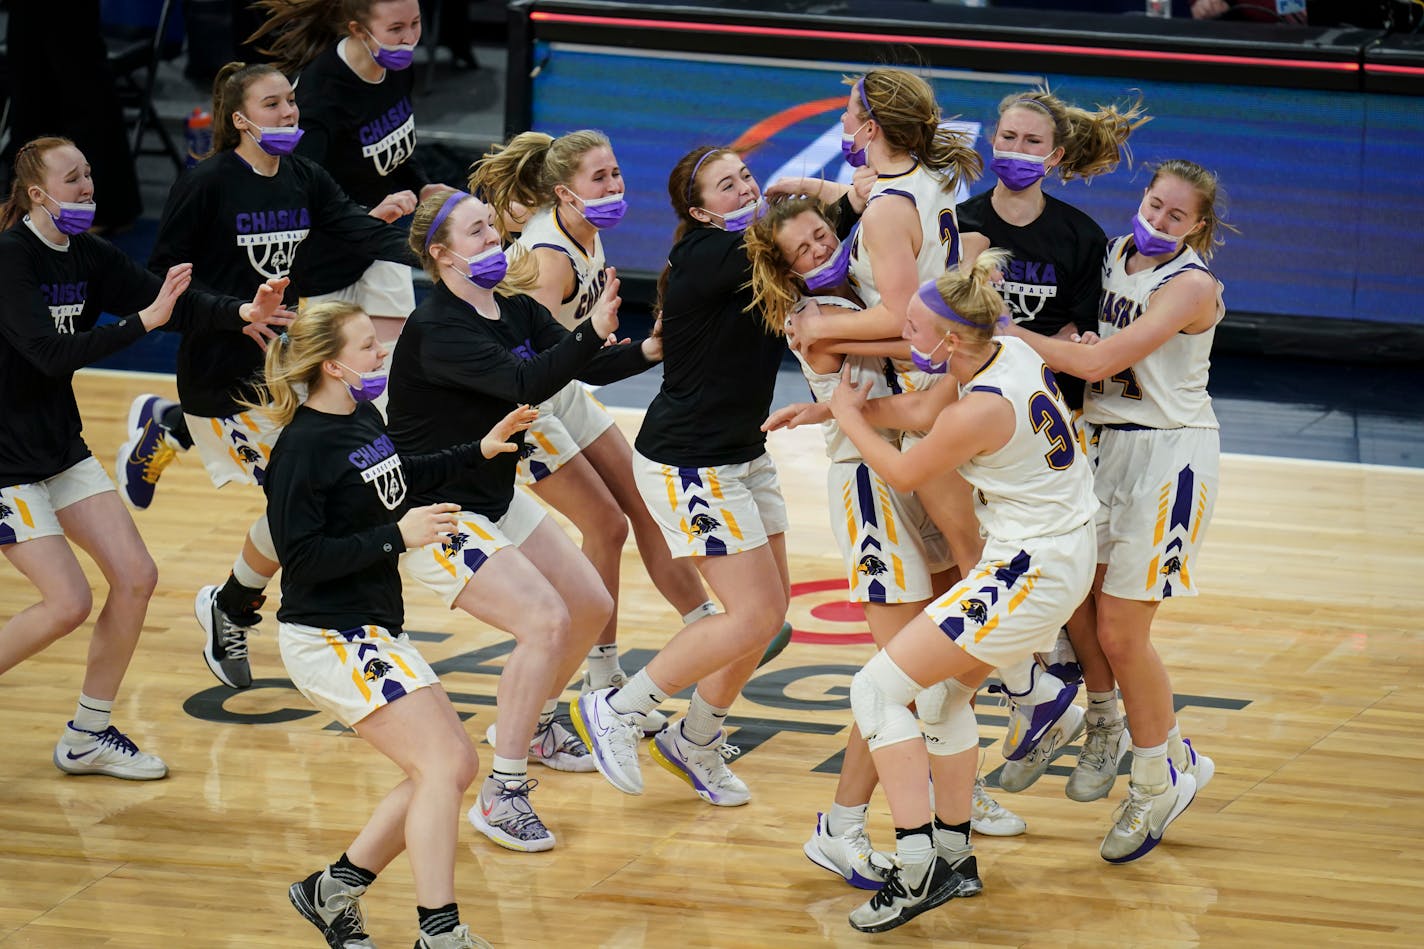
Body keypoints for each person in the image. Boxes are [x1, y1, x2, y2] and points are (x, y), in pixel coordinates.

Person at [570, 146, 860, 808]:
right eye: (727, 186)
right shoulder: (712, 257)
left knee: (768, 612)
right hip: (689, 460)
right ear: (700, 210)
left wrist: (820, 197)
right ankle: (619, 706)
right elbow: (803, 238)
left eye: (748, 178)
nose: (746, 190)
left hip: (743, 451)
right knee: (750, 612)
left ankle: (695, 739)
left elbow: (809, 233)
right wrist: (839, 195)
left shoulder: (745, 250)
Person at [113, 61, 413, 695]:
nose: (288, 114)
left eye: (291, 102)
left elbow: (354, 231)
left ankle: (171, 439)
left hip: (289, 367)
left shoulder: (303, 176)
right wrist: (233, 313)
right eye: (271, 105)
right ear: (240, 119)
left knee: (316, 495)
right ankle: (231, 604)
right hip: (224, 379)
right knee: (299, 505)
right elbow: (158, 286)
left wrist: (435, 230)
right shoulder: (207, 185)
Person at [0, 136, 289, 780]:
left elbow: (171, 300)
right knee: (67, 601)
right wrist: (145, 323)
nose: (88, 187)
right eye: (73, 179)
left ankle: (88, 734)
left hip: (59, 448)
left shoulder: (85, 252)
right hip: (4, 464)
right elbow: (49, 353)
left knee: (136, 577)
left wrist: (240, 310)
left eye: (90, 174)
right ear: (37, 194)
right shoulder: (10, 260)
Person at [794, 66, 1032, 837]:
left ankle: (1018, 692)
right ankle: (884, 808)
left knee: (915, 658)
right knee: (915, 654)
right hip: (883, 446)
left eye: (849, 107)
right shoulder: (922, 179)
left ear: (868, 125)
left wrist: (828, 330)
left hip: (904, 425)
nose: (824, 239)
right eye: (806, 243)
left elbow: (912, 322)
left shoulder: (885, 211)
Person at [828, 255, 1098, 932]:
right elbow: (919, 407)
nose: (904, 336)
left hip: (1030, 568)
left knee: (875, 691)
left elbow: (899, 463)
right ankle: (953, 854)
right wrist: (827, 412)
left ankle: (915, 864)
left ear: (950, 339)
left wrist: (844, 414)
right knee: (944, 696)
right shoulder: (1004, 350)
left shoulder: (983, 406)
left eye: (913, 326)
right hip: (1052, 554)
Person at [388, 187, 660, 853]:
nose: (496, 242)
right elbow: (523, 384)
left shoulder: (507, 307)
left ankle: (532, 726)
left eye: (493, 228)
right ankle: (500, 793)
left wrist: (647, 351)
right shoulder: (438, 327)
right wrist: (589, 330)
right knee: (544, 620)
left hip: (495, 499)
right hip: (438, 512)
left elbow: (573, 368)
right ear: (443, 254)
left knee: (590, 605)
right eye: (479, 233)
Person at [261, 301, 519, 949]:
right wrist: (393, 540)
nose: (381, 356)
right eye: (369, 347)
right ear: (333, 364)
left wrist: (478, 450)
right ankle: (440, 932)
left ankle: (332, 889)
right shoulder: (301, 448)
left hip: (370, 627)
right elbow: (302, 558)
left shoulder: (362, 416)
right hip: (327, 635)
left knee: (453, 762)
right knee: (441, 764)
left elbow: (399, 477)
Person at [1004, 158, 1224, 862]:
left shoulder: (1192, 285)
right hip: (1100, 445)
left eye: (1175, 216)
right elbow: (1079, 338)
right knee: (1078, 603)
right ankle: (1108, 723)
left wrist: (1007, 334)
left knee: (1126, 633)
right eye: (1154, 205)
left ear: (1199, 227)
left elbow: (1102, 363)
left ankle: (1157, 780)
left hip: (1169, 457)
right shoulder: (1108, 258)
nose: (1158, 221)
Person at [470, 131, 718, 736]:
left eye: (615, 174)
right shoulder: (548, 257)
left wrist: (644, 347)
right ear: (565, 193)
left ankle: (707, 622)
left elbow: (572, 358)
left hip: (563, 388)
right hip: (522, 404)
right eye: (599, 178)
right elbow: (534, 365)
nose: (614, 188)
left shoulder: (581, 228)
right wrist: (643, 352)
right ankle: (598, 676)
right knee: (606, 524)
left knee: (643, 504)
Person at [744, 195, 956, 889]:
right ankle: (840, 826)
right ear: (787, 271)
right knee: (894, 672)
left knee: (943, 655)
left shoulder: (866, 289)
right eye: (802, 250)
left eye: (821, 234)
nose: (819, 249)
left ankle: (953, 788)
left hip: (919, 463)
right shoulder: (812, 319)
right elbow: (918, 339)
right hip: (870, 485)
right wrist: (949, 327)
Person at [956, 86, 1147, 795]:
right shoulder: (963, 222)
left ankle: (1100, 717)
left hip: (1054, 432)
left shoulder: (1078, 236)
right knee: (986, 585)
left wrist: (1034, 340)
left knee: (1079, 594)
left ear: (1057, 154)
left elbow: (1077, 343)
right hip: (980, 433)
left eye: (1032, 141)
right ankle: (1030, 705)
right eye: (1007, 136)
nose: (1015, 150)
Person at [249, 0, 438, 343]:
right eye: (396, 29)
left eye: (415, 23)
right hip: (324, 261)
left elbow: (393, 142)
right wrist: (365, 219)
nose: (409, 39)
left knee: (390, 369)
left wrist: (422, 187)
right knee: (320, 388)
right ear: (357, 30)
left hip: (378, 244)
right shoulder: (321, 95)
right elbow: (298, 193)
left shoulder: (397, 67)